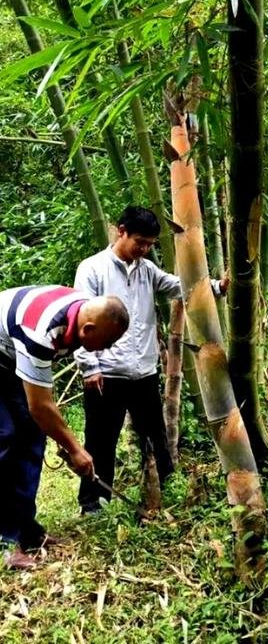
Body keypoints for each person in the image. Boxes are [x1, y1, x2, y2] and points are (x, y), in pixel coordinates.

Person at [74, 206, 228, 514]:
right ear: (122, 231)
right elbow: (80, 320)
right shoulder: (92, 269)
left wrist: (215, 287)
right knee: (101, 439)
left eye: (150, 245)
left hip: (143, 371)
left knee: (155, 434)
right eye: (140, 242)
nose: (144, 250)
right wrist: (90, 367)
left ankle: (167, 487)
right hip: (106, 371)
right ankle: (93, 502)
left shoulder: (146, 270)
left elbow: (177, 286)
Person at [0, 286, 128, 568]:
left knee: (32, 439)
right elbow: (40, 406)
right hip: (4, 354)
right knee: (5, 439)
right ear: (89, 329)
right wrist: (76, 449)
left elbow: (42, 406)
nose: (105, 350)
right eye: (105, 343)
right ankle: (5, 543)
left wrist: (60, 438)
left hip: (10, 360)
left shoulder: (80, 313)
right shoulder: (41, 331)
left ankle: (25, 529)